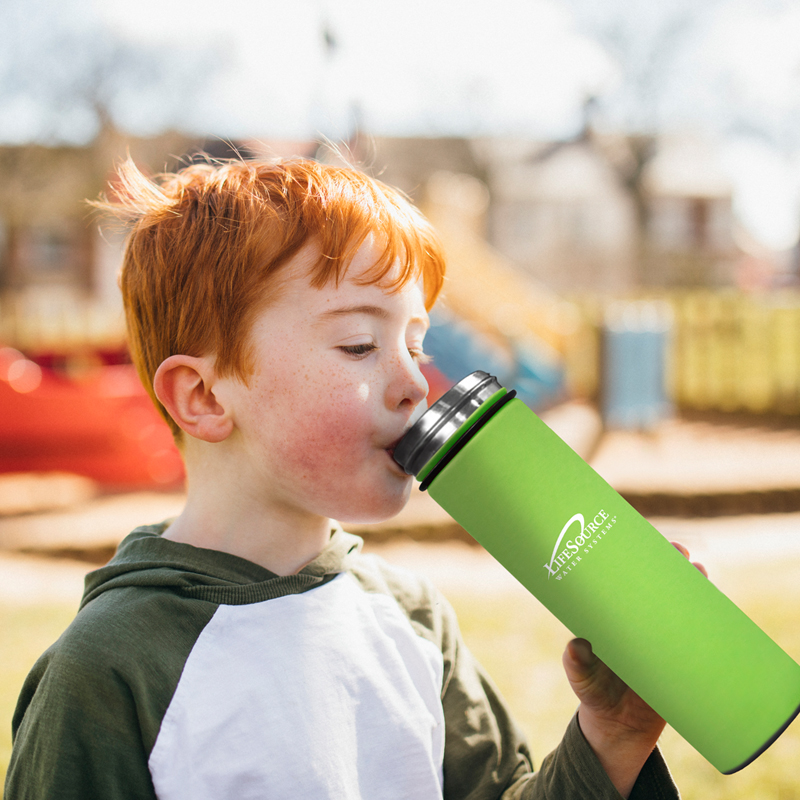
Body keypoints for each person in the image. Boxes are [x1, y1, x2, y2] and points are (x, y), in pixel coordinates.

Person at [5, 157, 683, 799]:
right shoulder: (109, 670)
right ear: (207, 398)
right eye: (359, 344)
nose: (416, 381)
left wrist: (611, 736)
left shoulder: (414, 619)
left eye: (415, 345)